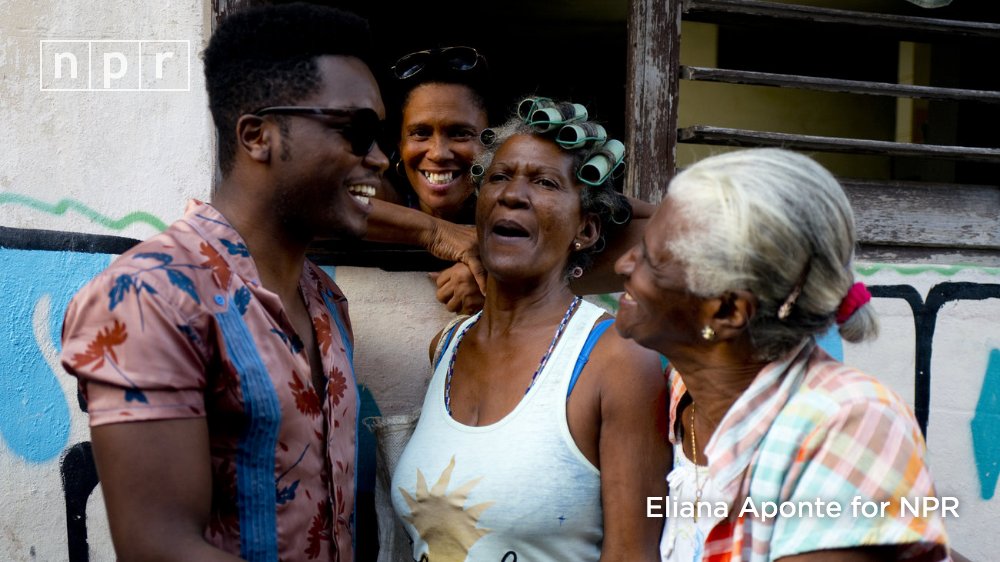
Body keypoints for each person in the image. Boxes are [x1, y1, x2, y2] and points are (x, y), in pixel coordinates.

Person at [60, 4, 479, 561]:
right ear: (258, 136)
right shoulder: (149, 297)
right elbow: (159, 548)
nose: (380, 159)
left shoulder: (324, 301)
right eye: (354, 133)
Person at [613, 148, 952, 561]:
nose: (623, 264)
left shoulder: (849, 421)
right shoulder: (685, 389)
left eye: (649, 257)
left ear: (727, 311)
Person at [390, 98, 670, 561]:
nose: (512, 195)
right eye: (499, 177)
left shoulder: (617, 361)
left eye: (544, 182)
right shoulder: (447, 347)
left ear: (586, 231)